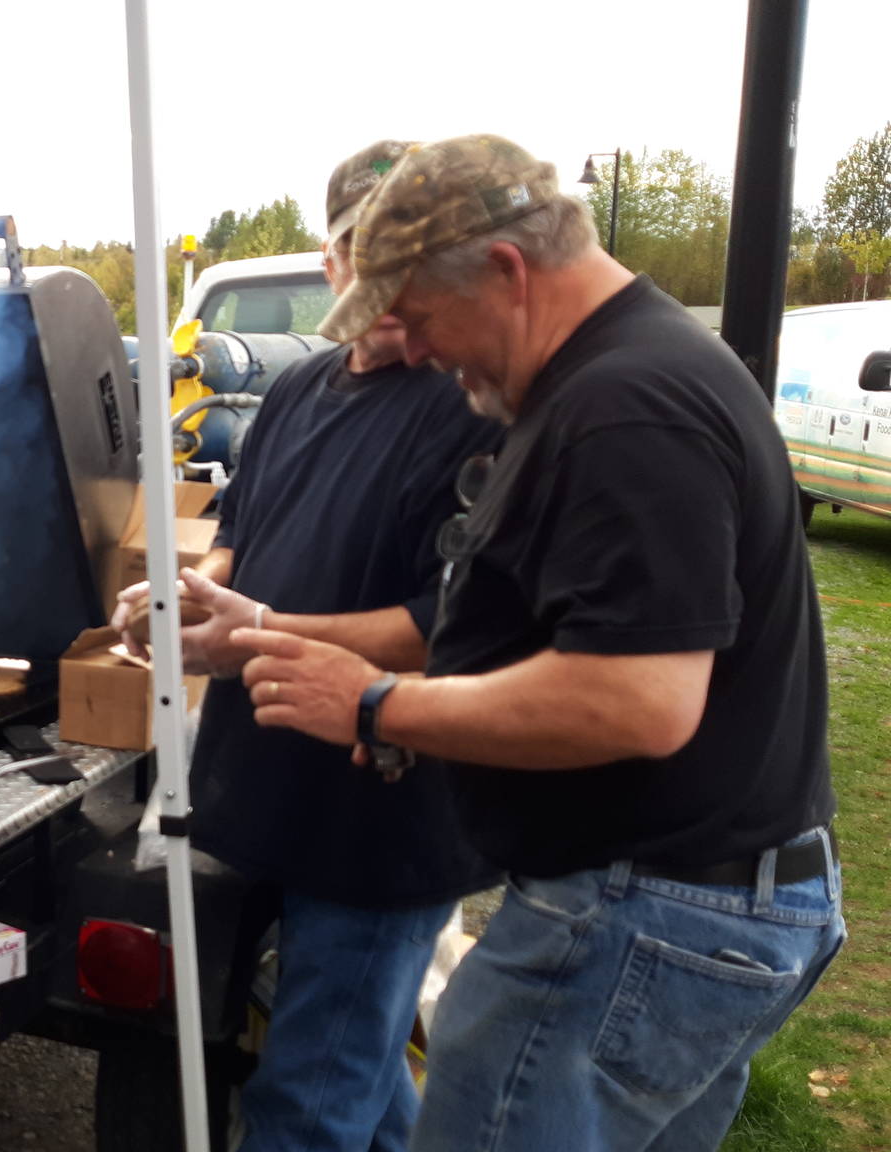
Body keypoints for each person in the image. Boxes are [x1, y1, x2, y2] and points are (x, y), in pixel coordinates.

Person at [236, 134, 844, 1151]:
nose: (418, 351)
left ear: (506, 271)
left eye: (422, 316)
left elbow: (634, 700)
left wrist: (378, 702)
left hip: (641, 911)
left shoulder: (624, 405)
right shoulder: (610, 379)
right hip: (701, 905)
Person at [114, 140, 501, 1152]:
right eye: (359, 253)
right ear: (327, 261)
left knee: (304, 1108)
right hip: (258, 790)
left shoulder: (468, 406)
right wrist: (179, 606)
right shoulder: (296, 390)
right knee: (355, 1086)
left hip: (378, 819)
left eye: (409, 258)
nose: (384, 287)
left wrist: (248, 643)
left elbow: (441, 625)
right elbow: (237, 549)